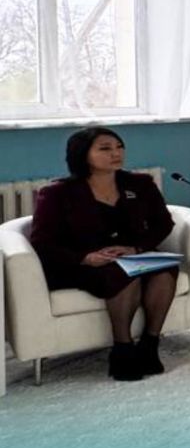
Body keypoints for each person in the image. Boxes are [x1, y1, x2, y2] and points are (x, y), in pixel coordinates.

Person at [27, 126, 178, 381]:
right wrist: (86, 258)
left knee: (165, 271)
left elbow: (163, 223)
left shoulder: (140, 184)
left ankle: (150, 345)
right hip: (83, 262)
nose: (115, 153)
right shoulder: (57, 193)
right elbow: (43, 242)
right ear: (83, 155)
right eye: (105, 149)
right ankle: (122, 349)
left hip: (132, 255)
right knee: (122, 274)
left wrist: (137, 249)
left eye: (119, 147)